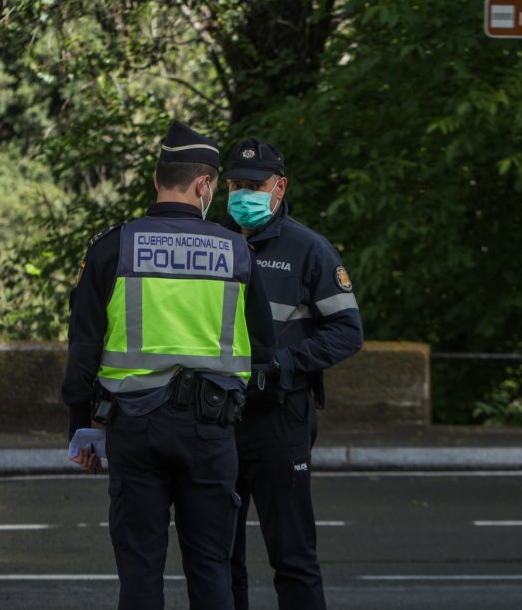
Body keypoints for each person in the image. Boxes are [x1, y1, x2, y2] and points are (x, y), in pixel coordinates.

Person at [61, 120, 276, 610]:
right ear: (204, 185)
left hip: (133, 431)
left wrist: (80, 426)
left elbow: (83, 350)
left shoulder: (113, 247)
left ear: (158, 178)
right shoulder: (237, 251)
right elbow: (263, 348)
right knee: (210, 569)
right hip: (211, 430)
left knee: (140, 571)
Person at [223, 138, 364, 610]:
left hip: (280, 419)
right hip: (218, 418)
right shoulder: (215, 246)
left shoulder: (309, 249)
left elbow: (347, 331)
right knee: (220, 560)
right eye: (235, 185)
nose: (243, 194)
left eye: (254, 185)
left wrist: (283, 363)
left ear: (279, 187)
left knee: (293, 557)